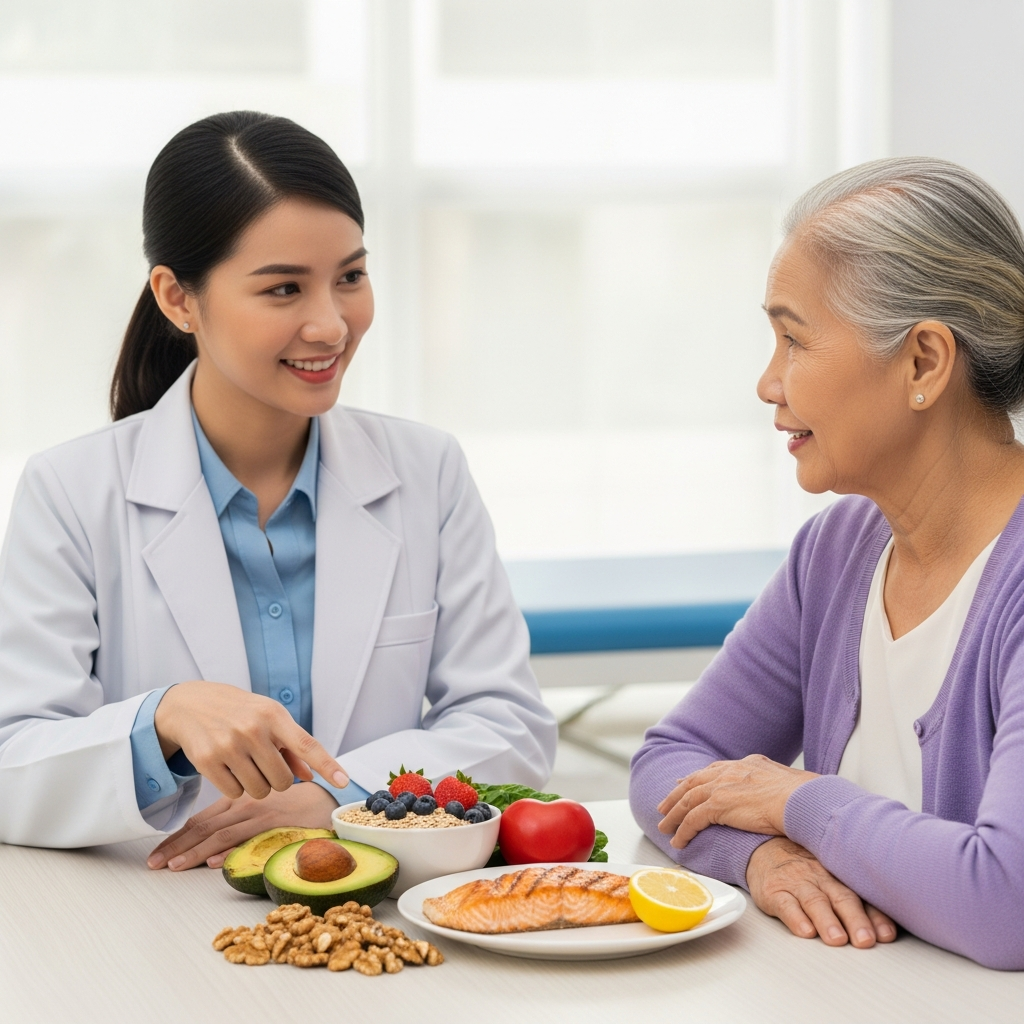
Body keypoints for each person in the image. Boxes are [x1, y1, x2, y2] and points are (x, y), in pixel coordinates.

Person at [0, 111, 556, 869]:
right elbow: (12, 763)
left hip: (379, 913)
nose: (331, 325)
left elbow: (510, 726)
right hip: (160, 914)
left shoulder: (427, 471)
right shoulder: (71, 492)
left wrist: (346, 796)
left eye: (350, 278)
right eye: (284, 289)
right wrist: (160, 719)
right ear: (177, 298)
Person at [630, 157, 1024, 970]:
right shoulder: (838, 550)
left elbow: (1007, 902)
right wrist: (760, 858)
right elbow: (668, 765)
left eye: (793, 339)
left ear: (923, 362)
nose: (768, 382)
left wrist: (800, 800)